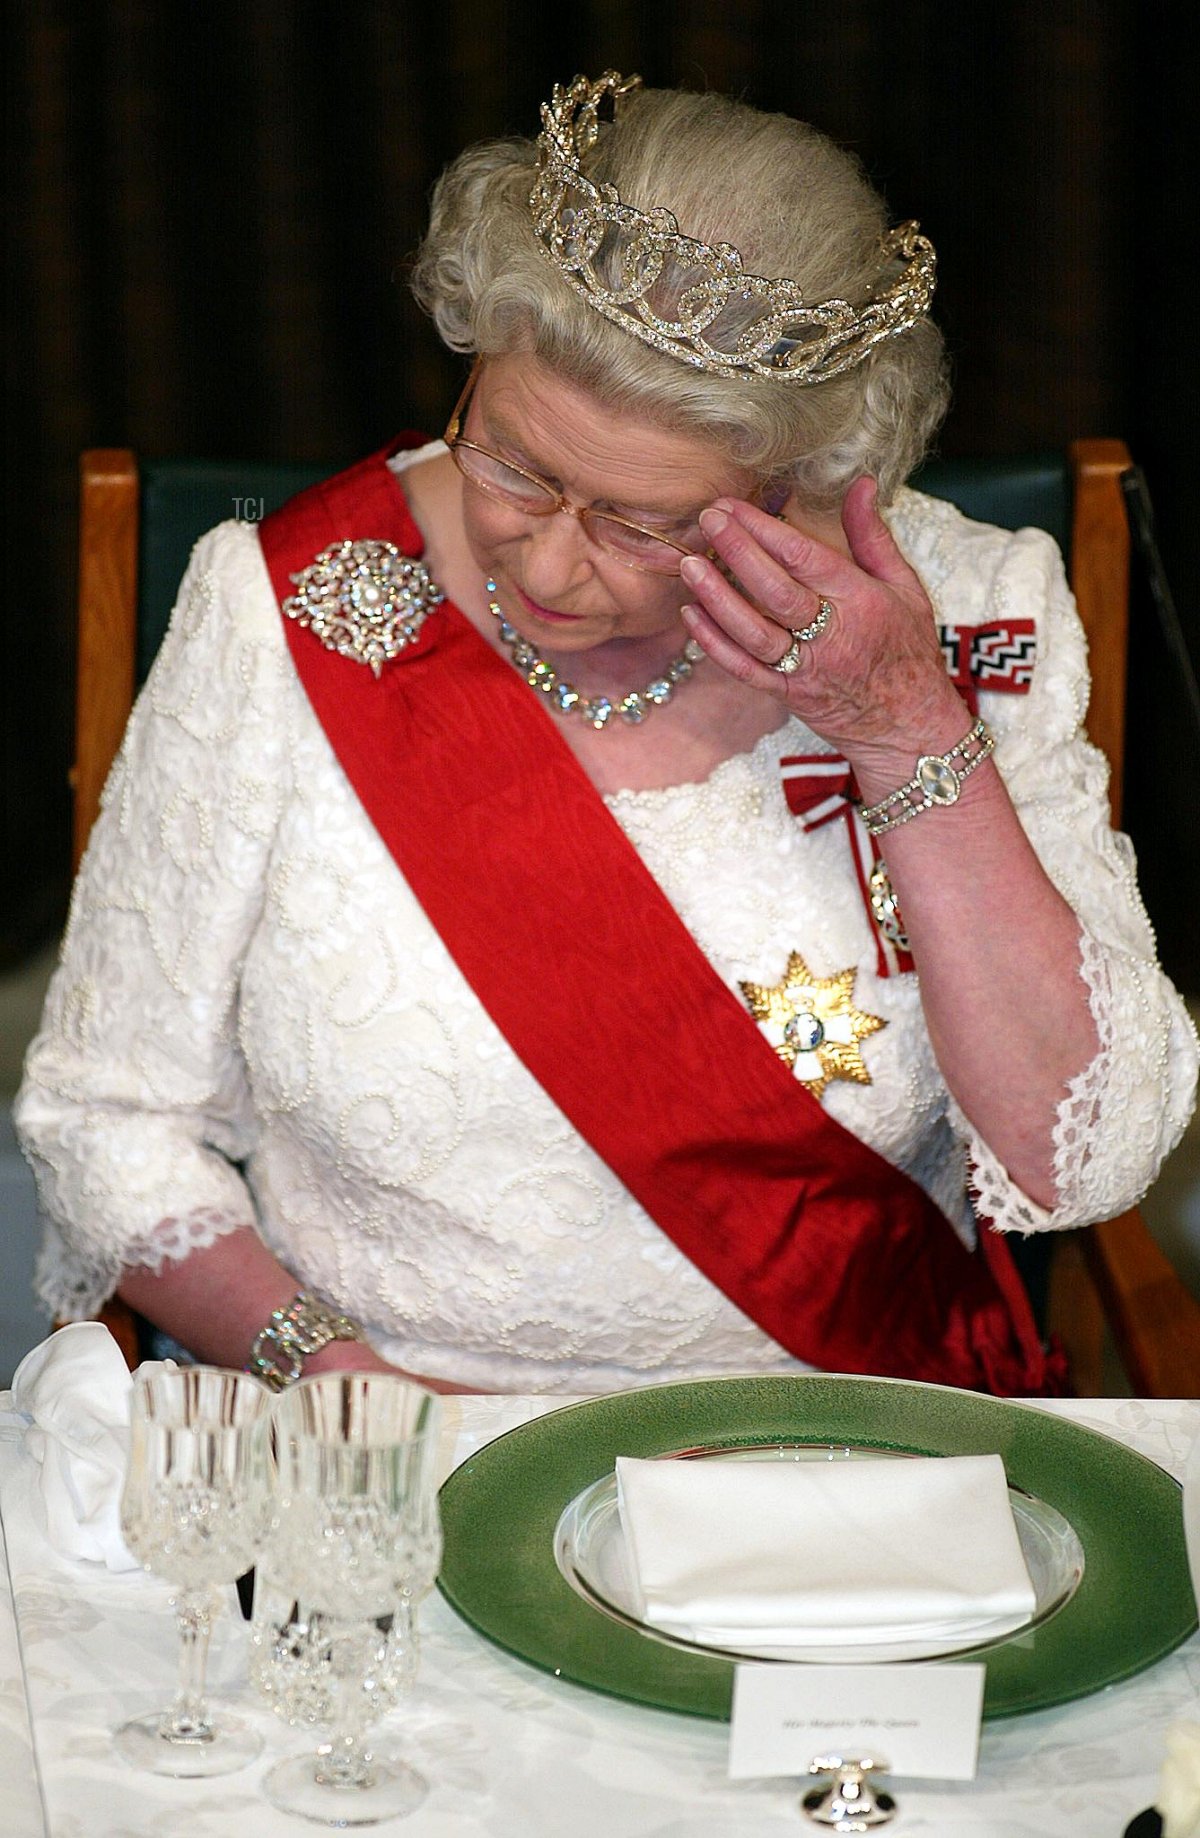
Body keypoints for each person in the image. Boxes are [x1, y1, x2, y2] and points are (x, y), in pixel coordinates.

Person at [16, 72, 1197, 1398]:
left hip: (836, 1451)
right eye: (512, 462)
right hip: (393, 1443)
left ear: (810, 485)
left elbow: (1084, 1159)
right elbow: (103, 1117)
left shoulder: (964, 616)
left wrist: (905, 728)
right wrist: (343, 1382)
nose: (554, 567)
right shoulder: (286, 608)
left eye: (644, 523)